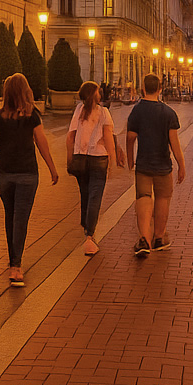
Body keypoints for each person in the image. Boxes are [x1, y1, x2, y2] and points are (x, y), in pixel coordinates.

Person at [0, 73, 58, 287]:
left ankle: (13, 260)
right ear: (25, 91)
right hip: (27, 175)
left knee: (10, 216)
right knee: (20, 219)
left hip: (2, 174)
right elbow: (42, 143)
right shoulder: (33, 116)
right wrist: (52, 168)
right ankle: (16, 266)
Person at [124, 73, 186, 257]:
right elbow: (174, 143)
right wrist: (181, 164)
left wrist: (130, 158)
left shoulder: (137, 111)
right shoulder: (168, 113)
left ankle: (144, 238)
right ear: (160, 89)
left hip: (143, 163)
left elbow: (130, 138)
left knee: (143, 197)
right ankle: (159, 237)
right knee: (163, 199)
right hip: (163, 164)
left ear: (143, 88)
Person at [66, 81, 123, 256]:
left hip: (80, 158)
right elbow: (107, 137)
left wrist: (70, 158)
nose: (100, 94)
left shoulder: (79, 111)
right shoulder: (103, 112)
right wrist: (112, 160)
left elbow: (70, 136)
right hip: (98, 158)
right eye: (98, 91)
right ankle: (89, 236)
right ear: (94, 94)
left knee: (85, 194)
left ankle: (86, 227)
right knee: (95, 197)